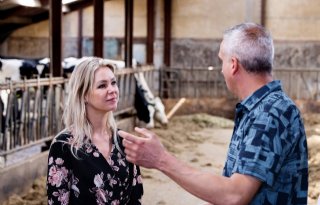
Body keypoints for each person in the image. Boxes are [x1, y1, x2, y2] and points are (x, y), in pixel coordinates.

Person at [119, 22, 308, 205]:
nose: (221, 69)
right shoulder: (259, 108)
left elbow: (235, 195)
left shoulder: (269, 114)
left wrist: (161, 159)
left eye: (222, 61)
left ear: (233, 65)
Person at [46, 57, 143, 205]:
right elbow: (58, 201)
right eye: (102, 86)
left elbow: (136, 196)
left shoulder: (124, 141)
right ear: (84, 94)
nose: (112, 90)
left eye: (113, 83)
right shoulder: (64, 145)